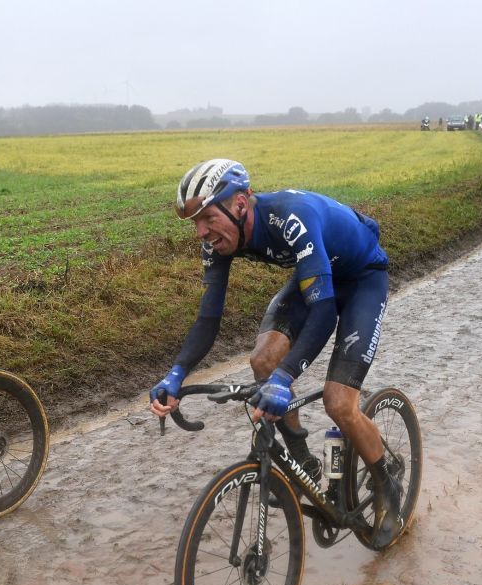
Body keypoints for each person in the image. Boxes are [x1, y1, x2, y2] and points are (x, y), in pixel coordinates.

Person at [149, 159, 405, 548]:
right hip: (315, 277)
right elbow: (209, 317)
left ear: (240, 204)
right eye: (195, 223)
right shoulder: (219, 240)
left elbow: (323, 313)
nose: (201, 231)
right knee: (263, 361)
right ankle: (304, 461)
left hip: (361, 280)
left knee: (339, 403)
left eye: (207, 217)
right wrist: (176, 373)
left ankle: (387, 486)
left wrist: (285, 380)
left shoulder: (291, 218)